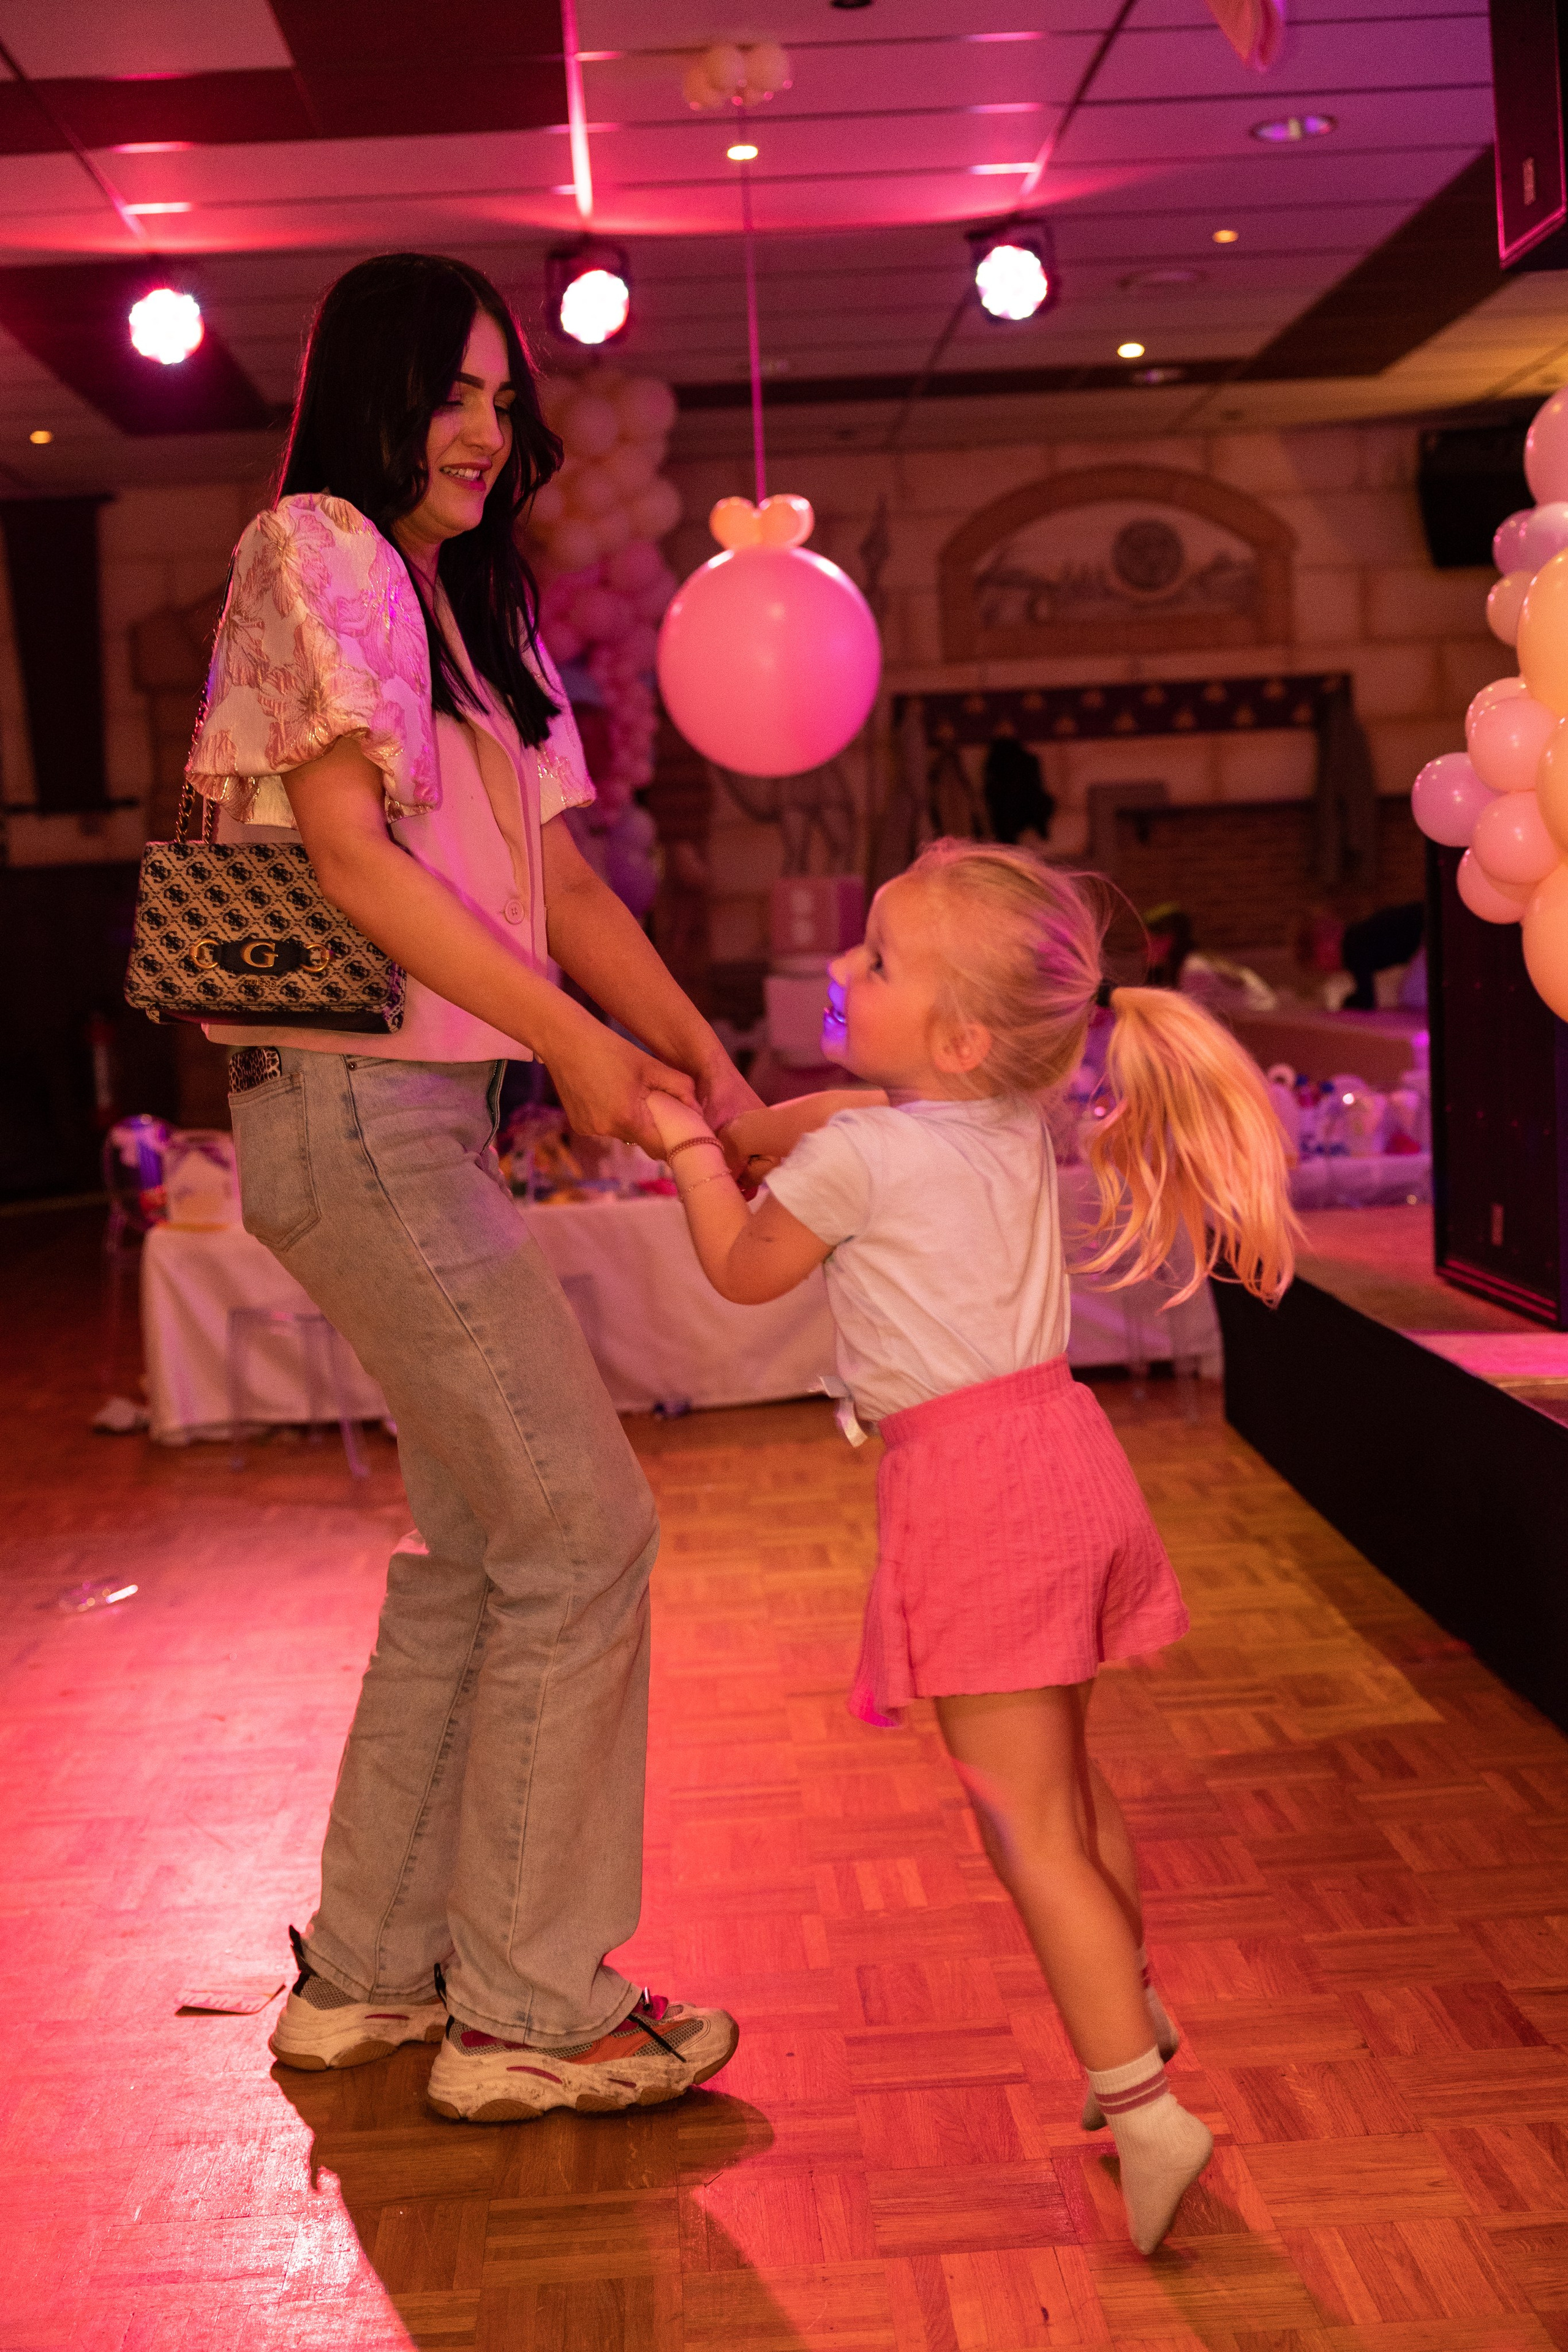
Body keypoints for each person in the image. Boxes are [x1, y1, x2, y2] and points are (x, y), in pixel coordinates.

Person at [185, 253, 756, 2124]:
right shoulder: (320, 547)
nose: (483, 433)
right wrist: (579, 1056)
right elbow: (349, 861)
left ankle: (368, 1981)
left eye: (505, 404)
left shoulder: (466, 603)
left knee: (490, 1554)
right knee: (585, 1534)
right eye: (450, 393)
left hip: (405, 1120)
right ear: (368, 389)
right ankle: (526, 2008)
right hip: (356, 1107)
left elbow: (570, 891)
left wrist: (701, 1063)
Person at [643, 840, 1297, 2254]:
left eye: (872, 960)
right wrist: (768, 1123)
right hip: (1062, 1462)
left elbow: (738, 1269)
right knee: (1065, 1784)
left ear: (951, 1034)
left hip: (973, 1503)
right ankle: (1129, 1997)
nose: (837, 968)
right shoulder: (992, 1117)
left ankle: (1142, 2107)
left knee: (1022, 1825)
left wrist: (695, 1149)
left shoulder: (867, 1155)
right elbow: (853, 1118)